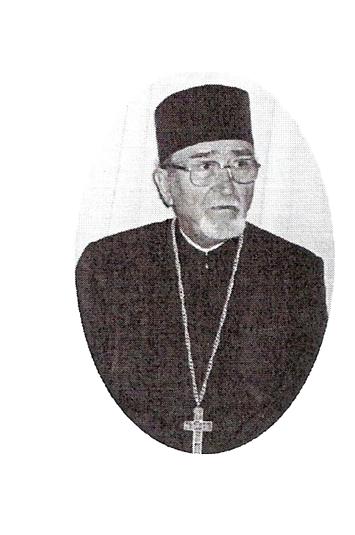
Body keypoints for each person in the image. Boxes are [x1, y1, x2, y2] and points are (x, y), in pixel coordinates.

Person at [76, 84, 328, 454]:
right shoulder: (107, 266)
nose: (227, 186)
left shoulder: (296, 271)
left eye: (241, 165)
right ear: (165, 184)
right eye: (204, 166)